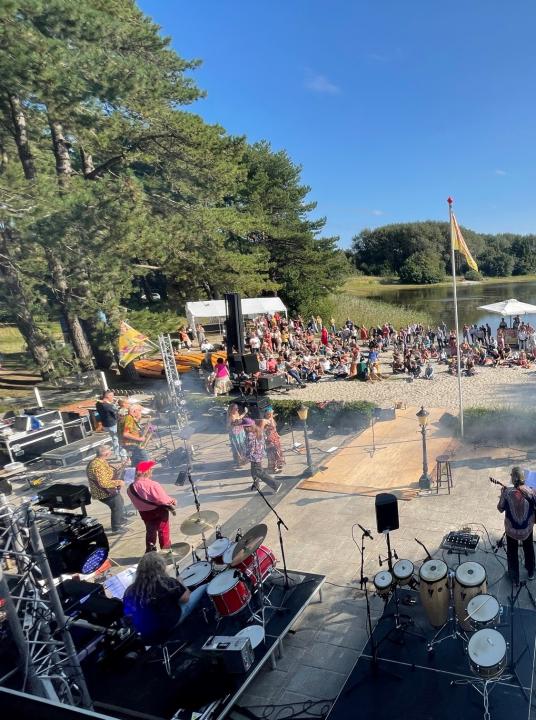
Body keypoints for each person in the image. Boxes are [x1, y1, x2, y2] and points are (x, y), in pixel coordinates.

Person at [123, 552, 208, 644]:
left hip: (144, 632)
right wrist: (181, 583)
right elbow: (185, 599)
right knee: (203, 587)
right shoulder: (166, 583)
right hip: (168, 624)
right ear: (160, 567)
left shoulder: (129, 590)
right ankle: (205, 626)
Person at [497, 466, 536, 585]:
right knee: (528, 548)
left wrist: (502, 494)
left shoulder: (507, 492)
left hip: (511, 530)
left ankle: (514, 579)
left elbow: (500, 508)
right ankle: (531, 572)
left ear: (513, 479)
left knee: (512, 551)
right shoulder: (531, 491)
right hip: (526, 529)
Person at [128, 460, 176, 553]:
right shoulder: (153, 485)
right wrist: (172, 500)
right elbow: (162, 500)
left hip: (144, 513)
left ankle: (150, 549)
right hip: (159, 511)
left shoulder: (130, 488)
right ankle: (166, 551)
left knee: (150, 530)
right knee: (163, 530)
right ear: (148, 471)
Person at [86, 446, 127, 533]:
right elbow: (103, 483)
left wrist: (123, 465)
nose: (111, 453)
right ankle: (116, 527)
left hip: (106, 490)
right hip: (102, 492)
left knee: (120, 501)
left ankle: (120, 519)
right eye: (110, 451)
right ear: (106, 454)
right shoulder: (97, 465)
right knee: (117, 505)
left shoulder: (100, 460)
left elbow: (109, 473)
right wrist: (119, 482)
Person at [245, 420, 281, 493]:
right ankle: (256, 485)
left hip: (254, 457)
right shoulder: (259, 431)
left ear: (249, 427)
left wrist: (246, 456)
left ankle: (276, 484)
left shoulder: (250, 435)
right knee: (253, 471)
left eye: (245, 427)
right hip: (259, 455)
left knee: (259, 472)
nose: (245, 429)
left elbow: (251, 447)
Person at [96, 390, 126, 459]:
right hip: (112, 424)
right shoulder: (107, 405)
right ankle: (123, 456)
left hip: (106, 425)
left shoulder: (98, 404)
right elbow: (118, 413)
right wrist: (121, 407)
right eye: (112, 396)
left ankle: (117, 455)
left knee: (114, 439)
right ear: (107, 396)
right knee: (120, 439)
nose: (113, 397)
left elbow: (108, 410)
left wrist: (112, 403)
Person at [264, 408, 285, 474]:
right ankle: (273, 468)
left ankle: (278, 464)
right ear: (265, 414)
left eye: (271, 414)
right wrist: (266, 437)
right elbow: (263, 430)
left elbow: (274, 428)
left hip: (275, 437)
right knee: (272, 453)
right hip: (269, 438)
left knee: (278, 451)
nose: (270, 415)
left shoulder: (271, 418)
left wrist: (277, 434)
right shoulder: (265, 421)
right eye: (268, 414)